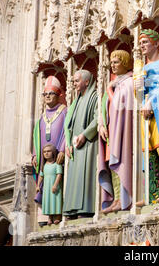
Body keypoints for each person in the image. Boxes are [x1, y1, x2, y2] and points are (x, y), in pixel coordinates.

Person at [134, 29, 159, 204]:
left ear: (156, 43)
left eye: (145, 42)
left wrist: (153, 100)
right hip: (147, 112)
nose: (141, 46)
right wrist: (139, 88)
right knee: (148, 151)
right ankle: (151, 193)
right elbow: (144, 92)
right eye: (140, 43)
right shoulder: (144, 68)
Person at [98, 50, 134, 213]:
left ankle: (124, 197)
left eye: (116, 62)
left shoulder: (129, 82)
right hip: (112, 129)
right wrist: (102, 124)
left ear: (125, 63)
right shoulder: (116, 83)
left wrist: (109, 91)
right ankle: (117, 197)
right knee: (111, 162)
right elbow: (105, 109)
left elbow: (118, 104)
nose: (112, 65)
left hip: (123, 130)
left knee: (120, 160)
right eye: (111, 62)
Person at [63, 69, 99, 218]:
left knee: (85, 177)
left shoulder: (94, 96)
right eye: (73, 81)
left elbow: (98, 118)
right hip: (75, 146)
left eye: (76, 81)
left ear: (86, 81)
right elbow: (70, 123)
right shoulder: (76, 100)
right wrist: (68, 143)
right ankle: (72, 209)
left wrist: (85, 135)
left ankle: (86, 209)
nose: (74, 84)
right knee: (74, 179)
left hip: (88, 143)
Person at [31, 75, 66, 227]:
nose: (47, 97)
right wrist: (34, 154)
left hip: (59, 156)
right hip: (44, 159)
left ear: (59, 95)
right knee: (43, 182)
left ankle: (59, 213)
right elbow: (36, 136)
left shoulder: (64, 112)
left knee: (57, 184)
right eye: (45, 94)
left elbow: (67, 132)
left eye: (51, 94)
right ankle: (45, 215)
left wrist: (63, 149)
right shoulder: (41, 117)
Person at [36, 143, 63, 225]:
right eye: (44, 152)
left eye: (48, 151)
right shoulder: (44, 166)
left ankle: (58, 216)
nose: (46, 153)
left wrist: (55, 184)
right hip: (46, 187)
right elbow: (41, 176)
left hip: (55, 186)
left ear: (53, 152)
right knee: (48, 201)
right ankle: (50, 217)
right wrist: (38, 185)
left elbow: (59, 174)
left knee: (56, 200)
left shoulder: (57, 164)